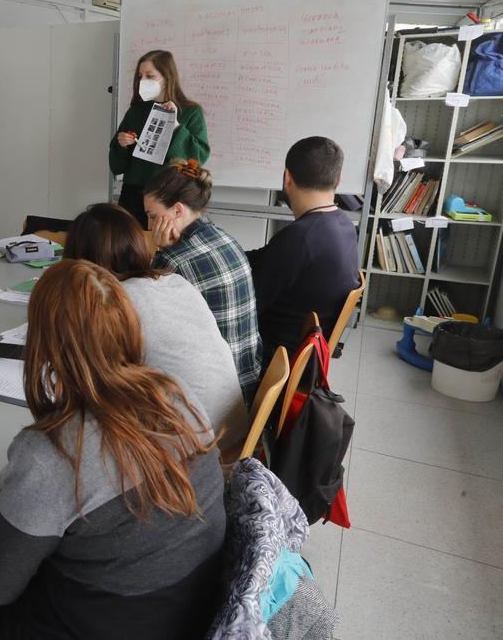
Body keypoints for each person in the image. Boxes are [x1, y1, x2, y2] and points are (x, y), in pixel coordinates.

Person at [0, 260, 224, 639]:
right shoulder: (175, 391)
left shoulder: (51, 452)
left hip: (106, 622)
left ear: (42, 342)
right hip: (190, 597)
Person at [64, 203, 248, 457]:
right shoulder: (172, 279)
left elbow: (93, 384)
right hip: (235, 431)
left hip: (197, 453)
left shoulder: (116, 302)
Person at [145, 159, 262, 403]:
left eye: (152, 216)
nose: (149, 225)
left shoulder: (174, 261)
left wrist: (160, 252)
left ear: (178, 210)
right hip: (249, 385)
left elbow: (147, 324)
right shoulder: (227, 239)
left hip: (216, 404)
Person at [246, 137, 360, 362]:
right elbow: (266, 257)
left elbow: (246, 306)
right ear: (338, 179)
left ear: (287, 178)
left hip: (274, 359)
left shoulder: (299, 238)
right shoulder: (345, 226)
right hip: (307, 355)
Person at [110, 50, 209, 228]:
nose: (142, 81)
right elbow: (116, 166)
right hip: (133, 194)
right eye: (140, 76)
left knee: (161, 246)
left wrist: (176, 125)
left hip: (168, 197)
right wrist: (122, 144)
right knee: (128, 246)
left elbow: (196, 158)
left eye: (150, 76)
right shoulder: (136, 111)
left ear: (167, 77)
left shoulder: (191, 112)